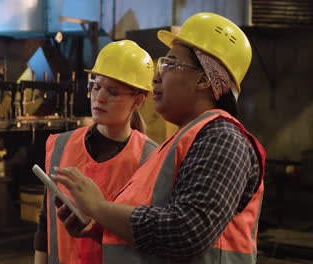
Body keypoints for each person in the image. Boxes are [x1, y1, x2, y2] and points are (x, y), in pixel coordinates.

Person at [53, 12, 266, 263]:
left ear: (203, 79)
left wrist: (99, 208)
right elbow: (157, 230)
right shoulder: (179, 143)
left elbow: (187, 232)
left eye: (169, 64)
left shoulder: (223, 139)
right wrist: (100, 228)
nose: (156, 77)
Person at [33, 40, 158, 264]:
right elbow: (46, 224)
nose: (99, 97)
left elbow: (151, 238)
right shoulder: (61, 145)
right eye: (97, 86)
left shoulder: (151, 158)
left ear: (138, 100)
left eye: (112, 91)